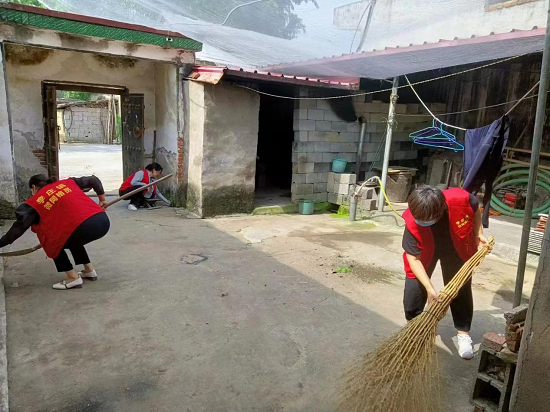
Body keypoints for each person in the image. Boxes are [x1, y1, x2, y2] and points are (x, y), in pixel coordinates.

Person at [401, 185, 490, 360]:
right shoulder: (413, 218)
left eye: (426, 220)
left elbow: (475, 210)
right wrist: (429, 289)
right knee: (413, 290)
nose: (421, 221)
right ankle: (415, 329)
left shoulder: (461, 200)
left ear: (440, 210)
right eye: (419, 219)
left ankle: (463, 333)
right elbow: (414, 260)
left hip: (455, 245)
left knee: (460, 287)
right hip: (426, 249)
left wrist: (478, 234)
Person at [0, 174, 110, 290]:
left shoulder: (35, 202)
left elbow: (16, 230)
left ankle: (73, 278)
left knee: (50, 241)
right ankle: (89, 270)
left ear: (33, 187)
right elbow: (93, 180)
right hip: (102, 221)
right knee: (69, 233)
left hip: (83, 227)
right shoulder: (68, 183)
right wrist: (102, 199)